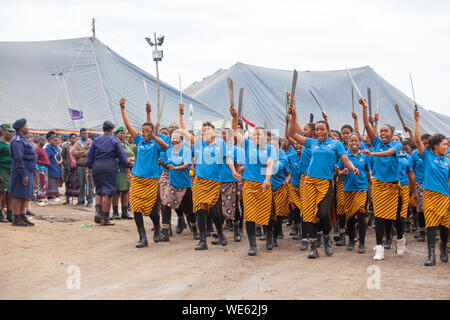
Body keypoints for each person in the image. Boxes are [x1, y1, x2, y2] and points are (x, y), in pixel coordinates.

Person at [288, 100, 359, 259]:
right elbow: (292, 134)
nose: (319, 132)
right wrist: (293, 115)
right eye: (317, 130)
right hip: (309, 183)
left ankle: (327, 239)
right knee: (309, 214)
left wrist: (352, 168)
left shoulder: (335, 144)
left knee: (324, 214)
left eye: (322, 129)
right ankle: (313, 247)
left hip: (326, 183)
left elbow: (344, 158)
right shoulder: (311, 143)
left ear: (327, 130)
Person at [180, 103, 235, 251]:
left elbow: (228, 158)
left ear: (213, 132)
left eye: (208, 129)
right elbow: (184, 131)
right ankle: (203, 241)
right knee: (200, 211)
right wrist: (181, 114)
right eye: (203, 130)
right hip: (199, 182)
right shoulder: (198, 144)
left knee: (215, 213)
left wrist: (234, 171)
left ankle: (220, 232)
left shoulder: (221, 143)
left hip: (214, 183)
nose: (205, 131)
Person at [359, 98, 404, 261]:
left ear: (392, 134)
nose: (383, 133)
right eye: (381, 131)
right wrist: (364, 108)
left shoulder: (396, 145)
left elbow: (388, 153)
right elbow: (366, 125)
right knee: (379, 216)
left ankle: (400, 239)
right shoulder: (376, 142)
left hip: (392, 187)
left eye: (386, 131)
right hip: (378, 185)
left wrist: (372, 154)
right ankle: (379, 248)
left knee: (396, 217)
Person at [120, 98, 168, 247]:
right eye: (144, 131)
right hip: (137, 179)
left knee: (152, 210)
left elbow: (166, 147)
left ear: (153, 132)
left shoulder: (156, 143)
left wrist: (154, 135)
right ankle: (142, 237)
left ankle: (157, 227)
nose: (145, 134)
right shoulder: (139, 140)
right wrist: (122, 108)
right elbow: (128, 125)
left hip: (151, 180)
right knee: (135, 208)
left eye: (148, 132)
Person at [230, 107, 276, 256]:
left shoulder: (270, 149)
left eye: (259, 134)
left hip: (264, 186)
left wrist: (267, 180)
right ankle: (252, 244)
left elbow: (270, 164)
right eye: (254, 134)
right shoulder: (248, 145)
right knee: (249, 215)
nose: (256, 136)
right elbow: (235, 132)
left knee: (266, 215)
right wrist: (235, 117)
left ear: (265, 137)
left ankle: (269, 236)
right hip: (249, 185)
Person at [413, 110, 449, 266]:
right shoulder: (427, 156)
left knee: (446, 227)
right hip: (430, 196)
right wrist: (417, 121)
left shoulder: (448, 161)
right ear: (436, 146)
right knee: (431, 225)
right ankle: (431, 256)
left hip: (445, 197)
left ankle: (443, 247)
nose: (446, 147)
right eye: (444, 145)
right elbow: (418, 141)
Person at [86, 119, 131, 226]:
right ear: (112, 130)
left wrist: (88, 170)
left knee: (99, 190)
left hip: (97, 166)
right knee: (108, 193)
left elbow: (90, 156)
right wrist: (128, 171)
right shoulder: (115, 141)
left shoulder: (96, 140)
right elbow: (123, 157)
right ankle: (104, 218)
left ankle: (97, 211)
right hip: (110, 166)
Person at [159, 130, 200, 241]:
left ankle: (195, 229)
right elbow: (169, 167)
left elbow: (186, 165)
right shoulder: (169, 151)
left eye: (177, 140)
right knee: (166, 205)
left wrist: (175, 168)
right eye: (173, 140)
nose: (175, 142)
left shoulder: (186, 150)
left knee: (189, 209)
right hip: (172, 183)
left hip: (185, 184)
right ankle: (165, 232)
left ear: (181, 140)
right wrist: (162, 163)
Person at [337, 133, 371, 253]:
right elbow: (338, 171)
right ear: (348, 143)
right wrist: (342, 173)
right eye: (352, 141)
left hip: (362, 188)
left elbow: (368, 169)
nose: (354, 143)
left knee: (361, 215)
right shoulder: (344, 156)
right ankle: (351, 240)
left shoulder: (364, 155)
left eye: (356, 141)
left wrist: (371, 177)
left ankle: (362, 243)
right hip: (348, 189)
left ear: (360, 142)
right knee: (350, 216)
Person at [8, 118, 36, 227]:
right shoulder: (16, 140)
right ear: (21, 128)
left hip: (27, 170)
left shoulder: (22, 139)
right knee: (17, 194)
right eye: (26, 125)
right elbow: (18, 158)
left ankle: (22, 216)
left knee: (25, 195)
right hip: (21, 171)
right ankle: (16, 217)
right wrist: (23, 174)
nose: (28, 127)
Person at [111, 125, 134, 220]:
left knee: (126, 192)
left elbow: (133, 154)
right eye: (121, 133)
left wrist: (132, 160)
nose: (123, 135)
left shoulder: (127, 145)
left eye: (124, 133)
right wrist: (126, 160)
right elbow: (112, 157)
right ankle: (115, 212)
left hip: (127, 171)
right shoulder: (114, 143)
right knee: (116, 192)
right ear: (116, 134)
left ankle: (125, 212)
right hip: (117, 170)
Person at [72, 128, 94, 207]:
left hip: (88, 166)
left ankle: (90, 200)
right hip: (80, 166)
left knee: (89, 184)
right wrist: (83, 152)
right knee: (81, 184)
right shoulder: (77, 143)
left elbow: (89, 152)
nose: (85, 134)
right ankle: (81, 200)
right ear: (80, 134)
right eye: (83, 133)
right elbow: (73, 153)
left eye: (86, 133)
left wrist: (79, 154)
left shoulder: (90, 142)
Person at [0, 123, 16, 222]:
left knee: (10, 194)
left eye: (12, 131)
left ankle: (10, 215)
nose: (11, 133)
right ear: (3, 131)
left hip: (12, 171)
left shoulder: (12, 143)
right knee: (1, 194)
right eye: (9, 131)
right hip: (2, 169)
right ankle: (1, 215)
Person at [61, 133, 80, 205]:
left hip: (77, 167)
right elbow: (62, 156)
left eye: (75, 138)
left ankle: (78, 200)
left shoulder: (78, 146)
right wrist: (65, 163)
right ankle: (67, 199)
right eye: (72, 138)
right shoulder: (66, 146)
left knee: (77, 183)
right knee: (68, 182)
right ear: (69, 139)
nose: (74, 139)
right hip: (68, 167)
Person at [44, 134, 63, 204]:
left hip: (56, 168)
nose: (56, 142)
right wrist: (50, 165)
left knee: (55, 183)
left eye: (57, 141)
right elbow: (47, 159)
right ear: (50, 140)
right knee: (50, 184)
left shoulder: (57, 148)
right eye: (54, 140)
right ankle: (49, 198)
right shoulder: (47, 148)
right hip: (51, 168)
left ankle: (53, 197)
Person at [34, 136, 51, 206]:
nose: (43, 142)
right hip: (40, 169)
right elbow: (36, 160)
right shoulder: (37, 149)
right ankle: (40, 199)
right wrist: (45, 163)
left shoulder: (42, 149)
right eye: (42, 141)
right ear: (39, 141)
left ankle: (43, 198)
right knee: (40, 184)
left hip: (45, 169)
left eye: (45, 141)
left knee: (44, 184)